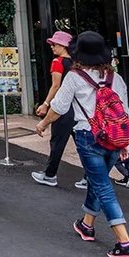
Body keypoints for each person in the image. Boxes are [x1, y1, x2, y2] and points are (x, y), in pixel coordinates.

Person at [34, 31, 129, 257]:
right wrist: (126, 142)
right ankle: (86, 225)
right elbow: (125, 112)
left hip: (89, 137)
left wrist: (43, 123)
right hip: (114, 139)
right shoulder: (116, 78)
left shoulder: (74, 77)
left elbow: (59, 107)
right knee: (97, 180)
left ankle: (125, 243)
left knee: (102, 186)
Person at [31, 31, 76, 187]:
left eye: (55, 44)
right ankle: (90, 177)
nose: (52, 47)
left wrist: (46, 103)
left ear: (63, 46)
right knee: (84, 145)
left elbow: (56, 85)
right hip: (79, 109)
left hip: (62, 108)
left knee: (57, 142)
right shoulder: (77, 63)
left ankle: (50, 174)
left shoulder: (58, 62)